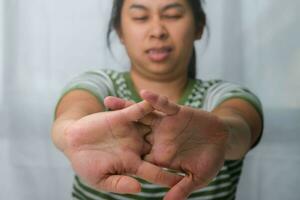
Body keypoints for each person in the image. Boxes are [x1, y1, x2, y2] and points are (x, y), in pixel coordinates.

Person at [51, 0, 263, 199]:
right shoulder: (100, 84)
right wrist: (70, 134)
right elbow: (73, 113)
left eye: (172, 15)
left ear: (198, 27)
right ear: (120, 31)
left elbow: (239, 126)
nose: (158, 31)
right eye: (141, 17)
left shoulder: (223, 95)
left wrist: (223, 136)